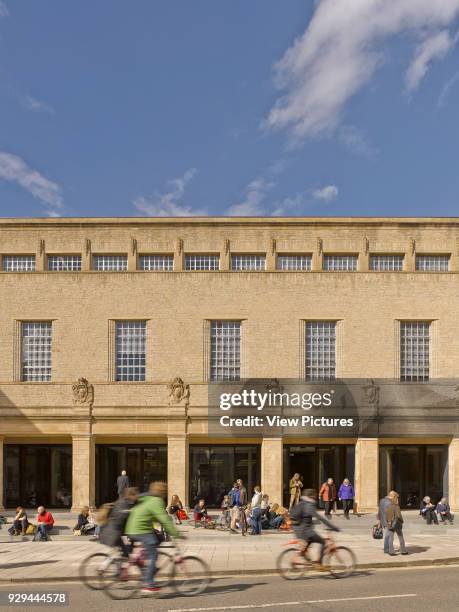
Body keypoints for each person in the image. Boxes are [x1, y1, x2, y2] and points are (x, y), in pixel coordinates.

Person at [125, 481, 180, 594]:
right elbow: (164, 519)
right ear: (162, 492)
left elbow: (151, 514)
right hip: (141, 529)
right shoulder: (157, 501)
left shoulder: (146, 498)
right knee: (153, 554)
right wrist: (177, 534)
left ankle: (142, 561)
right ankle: (149, 584)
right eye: (165, 491)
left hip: (132, 527)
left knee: (155, 540)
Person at [290, 488, 340, 570]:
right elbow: (320, 518)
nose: (315, 498)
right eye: (315, 496)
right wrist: (332, 527)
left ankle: (305, 557)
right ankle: (319, 563)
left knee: (310, 540)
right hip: (305, 530)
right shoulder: (309, 505)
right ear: (312, 496)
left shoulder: (302, 503)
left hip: (298, 529)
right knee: (323, 542)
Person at [99, 487, 138, 556]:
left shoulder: (121, 502)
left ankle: (117, 563)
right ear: (130, 495)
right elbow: (121, 518)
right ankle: (113, 563)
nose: (136, 497)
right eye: (135, 495)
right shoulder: (124, 504)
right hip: (113, 532)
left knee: (124, 553)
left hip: (110, 530)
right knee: (124, 553)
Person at [385, 491, 408, 556]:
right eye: (397, 498)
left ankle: (391, 551)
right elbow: (398, 516)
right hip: (396, 524)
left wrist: (389, 522)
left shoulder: (387, 506)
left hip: (389, 524)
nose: (398, 499)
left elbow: (386, 516)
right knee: (400, 537)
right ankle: (403, 550)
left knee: (391, 538)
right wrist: (401, 521)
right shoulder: (396, 506)